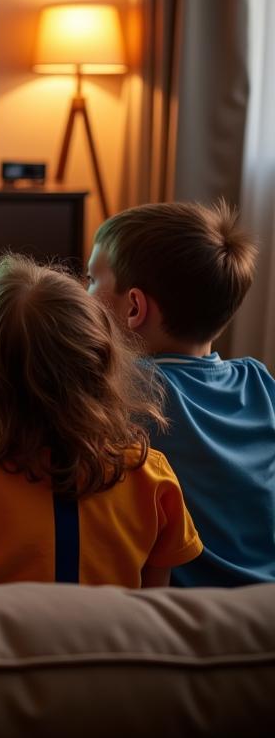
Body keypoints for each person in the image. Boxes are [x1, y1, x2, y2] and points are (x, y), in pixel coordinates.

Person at [0, 254, 202, 588]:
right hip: (114, 641)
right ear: (103, 364)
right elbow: (155, 605)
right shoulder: (152, 475)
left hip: (2, 641)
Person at [88, 200, 273, 586]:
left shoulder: (122, 390)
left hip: (183, 616)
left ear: (134, 307)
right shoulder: (260, 383)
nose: (84, 294)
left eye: (91, 281)